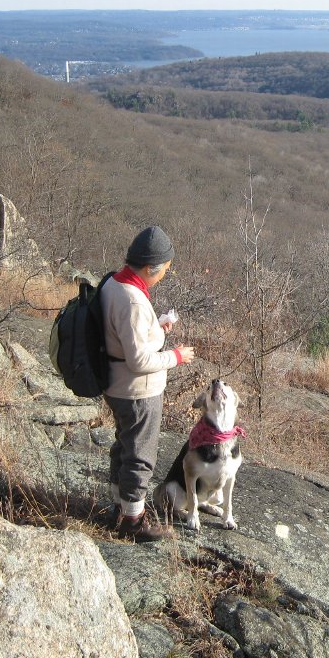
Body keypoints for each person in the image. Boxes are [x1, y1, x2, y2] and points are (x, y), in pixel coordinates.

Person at [102, 225, 194, 541]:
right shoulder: (133, 301)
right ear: (148, 267)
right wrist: (176, 356)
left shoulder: (114, 283)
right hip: (137, 391)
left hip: (117, 385)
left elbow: (125, 336)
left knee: (124, 445)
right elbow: (139, 361)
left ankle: (118, 505)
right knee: (140, 454)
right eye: (165, 268)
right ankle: (133, 521)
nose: (166, 273)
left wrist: (156, 328)